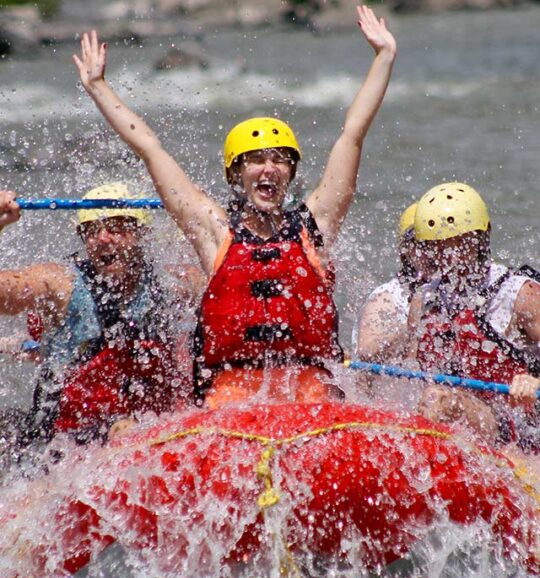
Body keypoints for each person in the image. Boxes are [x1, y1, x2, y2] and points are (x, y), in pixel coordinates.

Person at [73, 5, 397, 408]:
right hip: (232, 390)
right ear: (235, 174)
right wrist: (98, 87)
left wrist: (383, 57)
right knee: (224, 404)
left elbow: (352, 134)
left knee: (322, 399)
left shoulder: (316, 225)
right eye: (256, 160)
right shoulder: (214, 232)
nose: (269, 168)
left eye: (280, 159)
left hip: (308, 385)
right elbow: (150, 149)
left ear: (291, 172)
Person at [0, 184, 187, 450]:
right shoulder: (60, 284)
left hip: (144, 435)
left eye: (116, 228)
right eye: (91, 231)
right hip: (65, 444)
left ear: (141, 232)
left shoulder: (172, 284)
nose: (102, 239)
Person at [409, 182, 540, 450]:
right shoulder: (423, 300)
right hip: (463, 413)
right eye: (440, 246)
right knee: (433, 397)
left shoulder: (520, 294)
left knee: (441, 400)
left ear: (483, 237)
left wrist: (534, 381)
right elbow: (415, 368)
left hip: (519, 425)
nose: (451, 255)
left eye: (460, 243)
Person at [356, 202, 435, 363]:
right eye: (420, 244)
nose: (430, 251)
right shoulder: (389, 295)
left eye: (435, 243)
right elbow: (367, 352)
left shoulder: (456, 294)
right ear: (405, 251)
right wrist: (413, 326)